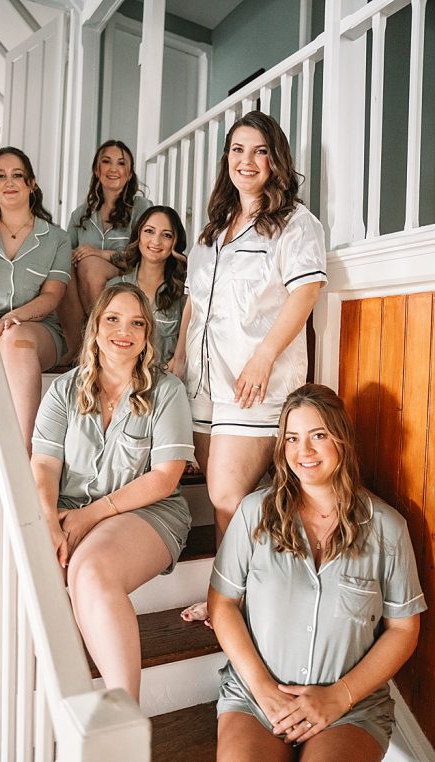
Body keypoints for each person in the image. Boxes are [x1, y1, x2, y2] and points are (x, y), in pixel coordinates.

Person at [209, 384, 424, 761]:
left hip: (351, 708)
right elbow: (223, 603)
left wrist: (338, 696)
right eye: (292, 438)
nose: (302, 451)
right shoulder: (253, 513)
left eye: (318, 435)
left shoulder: (389, 528)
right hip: (256, 699)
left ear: (342, 440)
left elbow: (404, 629)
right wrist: (263, 690)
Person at [173, 111, 327, 623]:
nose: (247, 160)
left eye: (259, 150)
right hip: (203, 382)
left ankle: (232, 598)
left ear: (275, 159)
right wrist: (177, 358)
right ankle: (232, 593)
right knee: (229, 505)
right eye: (237, 150)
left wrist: (263, 357)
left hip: (254, 383)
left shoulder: (296, 224)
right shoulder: (212, 230)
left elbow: (305, 292)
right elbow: (194, 302)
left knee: (226, 492)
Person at [31, 282, 194, 701]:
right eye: (113, 319)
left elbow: (165, 477)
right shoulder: (64, 390)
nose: (124, 331)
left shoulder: (167, 390)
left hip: (150, 512)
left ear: (146, 337)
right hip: (69, 508)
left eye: (137, 323)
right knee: (48, 567)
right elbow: (45, 464)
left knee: (91, 570)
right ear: (95, 327)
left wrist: (90, 515)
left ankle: (125, 717)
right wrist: (50, 520)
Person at [0, 146, 71, 453]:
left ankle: (22, 452)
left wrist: (16, 317)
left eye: (17, 175)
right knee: (2, 337)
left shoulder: (57, 238)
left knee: (15, 339)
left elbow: (53, 296)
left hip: (39, 330)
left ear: (31, 184)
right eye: (0, 176)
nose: (9, 182)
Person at [57, 140, 153, 361]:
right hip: (85, 280)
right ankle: (76, 344)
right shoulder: (80, 213)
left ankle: (100, 341)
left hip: (126, 274)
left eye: (121, 163)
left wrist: (98, 254)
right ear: (96, 170)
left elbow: (141, 252)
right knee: (62, 269)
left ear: (129, 174)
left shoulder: (141, 207)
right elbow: (67, 253)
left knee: (90, 266)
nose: (113, 169)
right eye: (106, 162)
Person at [106, 205, 187, 365]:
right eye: (149, 231)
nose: (156, 241)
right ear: (138, 235)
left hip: (167, 382)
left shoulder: (183, 292)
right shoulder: (114, 288)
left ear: (175, 243)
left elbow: (188, 348)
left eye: (166, 235)